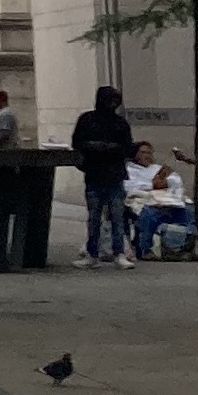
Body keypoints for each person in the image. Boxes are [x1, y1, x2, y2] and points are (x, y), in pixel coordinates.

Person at [71, 86, 136, 265]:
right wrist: (95, 147)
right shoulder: (88, 120)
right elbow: (77, 143)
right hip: (96, 173)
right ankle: (94, 253)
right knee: (95, 217)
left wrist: (107, 148)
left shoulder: (118, 123)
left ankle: (117, 252)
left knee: (115, 216)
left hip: (111, 174)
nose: (113, 105)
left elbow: (127, 147)